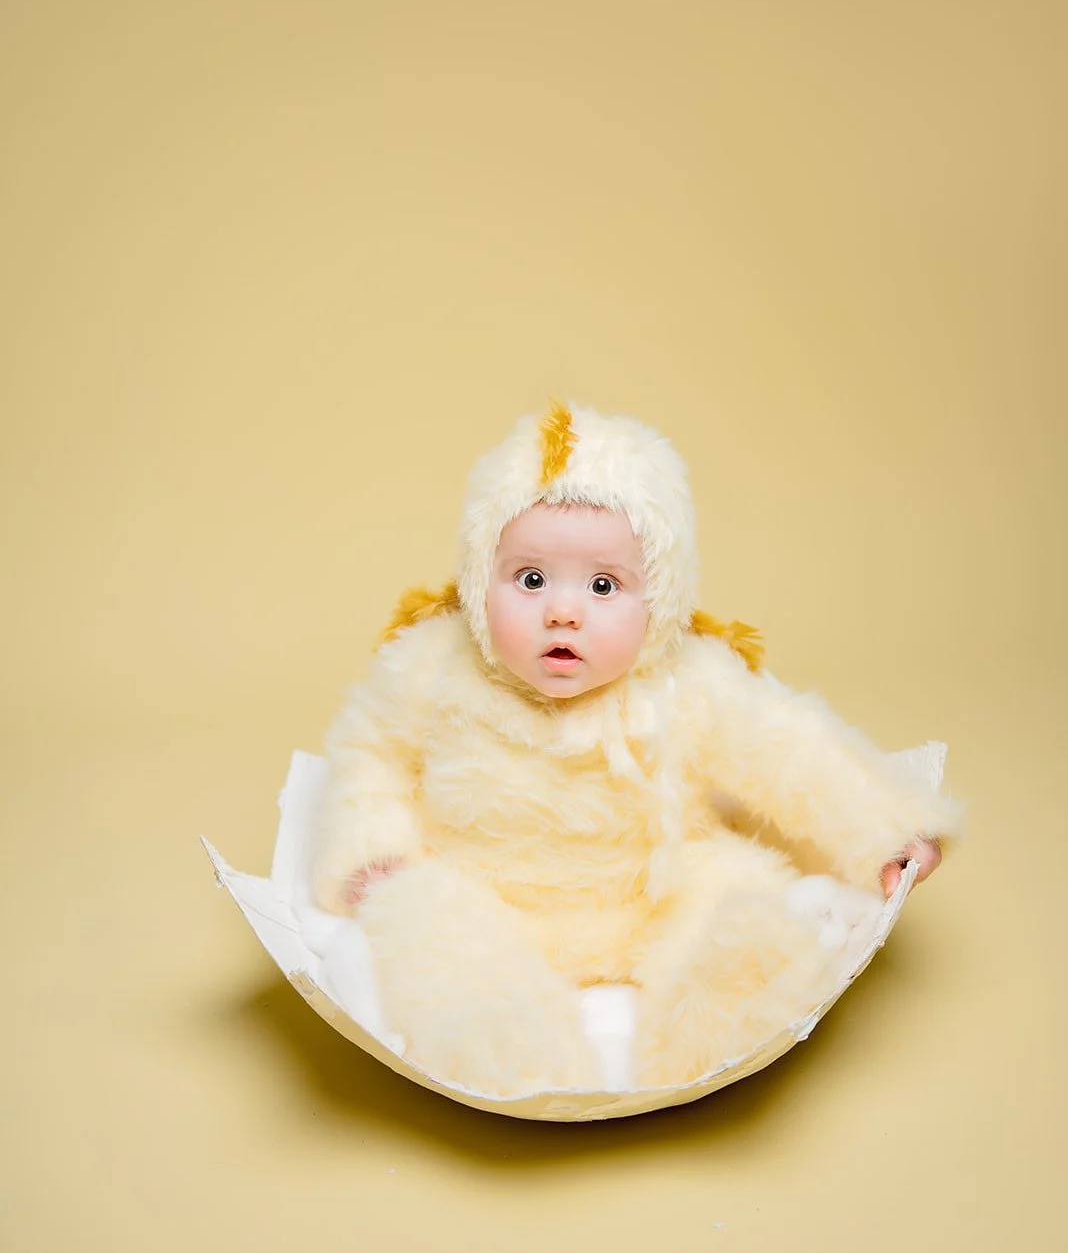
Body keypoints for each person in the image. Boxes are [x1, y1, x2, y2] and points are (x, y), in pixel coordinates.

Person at [312, 402, 959, 1095]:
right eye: (530, 579)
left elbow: (791, 750)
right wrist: (375, 849)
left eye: (603, 585)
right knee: (425, 915)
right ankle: (503, 1037)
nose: (563, 612)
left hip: (655, 887)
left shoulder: (691, 677)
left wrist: (884, 829)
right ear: (478, 579)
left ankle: (722, 1010)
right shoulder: (433, 666)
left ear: (661, 597)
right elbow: (370, 748)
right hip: (490, 891)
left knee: (733, 892)